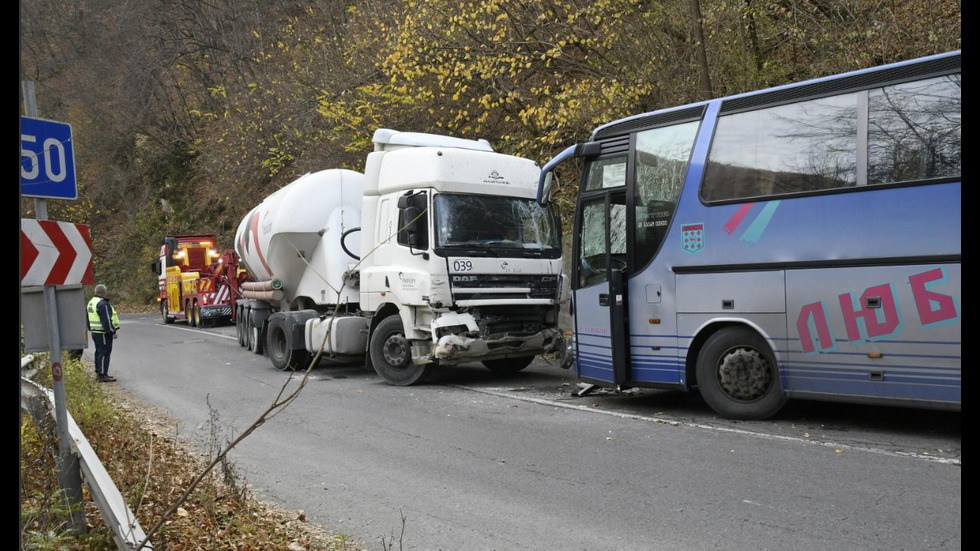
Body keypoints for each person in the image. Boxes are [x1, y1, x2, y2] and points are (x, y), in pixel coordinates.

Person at [87, 283, 120, 382]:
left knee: (99, 352)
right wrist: (112, 331)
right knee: (104, 352)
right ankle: (102, 374)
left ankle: (99, 371)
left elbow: (88, 318)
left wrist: (91, 328)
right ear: (104, 292)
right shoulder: (103, 304)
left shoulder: (91, 302)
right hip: (103, 333)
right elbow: (106, 320)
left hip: (95, 332)